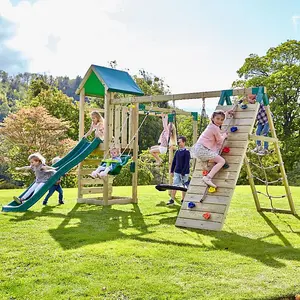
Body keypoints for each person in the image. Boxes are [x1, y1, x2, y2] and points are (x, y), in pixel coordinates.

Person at [190, 110, 233, 188]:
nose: (220, 121)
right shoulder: (215, 128)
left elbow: (220, 117)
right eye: (217, 119)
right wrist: (224, 136)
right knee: (221, 161)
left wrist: (226, 113)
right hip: (202, 149)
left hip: (199, 148)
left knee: (216, 156)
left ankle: (208, 165)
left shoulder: (211, 125)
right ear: (212, 118)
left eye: (222, 120)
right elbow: (220, 140)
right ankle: (208, 178)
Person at [167, 136, 190, 206]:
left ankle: (183, 199)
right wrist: (171, 171)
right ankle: (172, 200)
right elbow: (174, 162)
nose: (178, 143)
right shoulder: (177, 152)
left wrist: (183, 172)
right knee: (175, 185)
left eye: (179, 142)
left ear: (183, 142)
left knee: (183, 187)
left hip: (185, 172)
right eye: (178, 142)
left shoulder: (187, 152)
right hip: (177, 172)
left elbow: (186, 163)